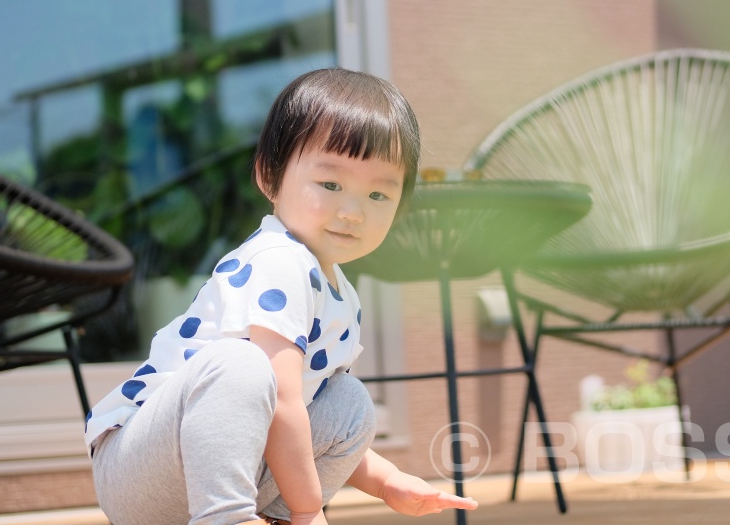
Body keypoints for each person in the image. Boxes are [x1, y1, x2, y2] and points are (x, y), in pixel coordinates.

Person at [85, 68, 478, 525]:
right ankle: (229, 518)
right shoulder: (278, 260)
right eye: (330, 185)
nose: (352, 212)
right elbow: (285, 402)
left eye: (377, 194)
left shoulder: (337, 290)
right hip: (140, 466)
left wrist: (387, 480)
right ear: (270, 178)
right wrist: (309, 510)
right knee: (242, 364)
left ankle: (262, 518)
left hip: (205, 473)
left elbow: (302, 412)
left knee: (349, 402)